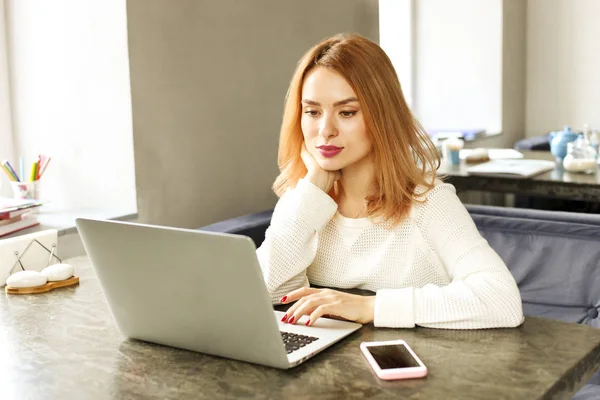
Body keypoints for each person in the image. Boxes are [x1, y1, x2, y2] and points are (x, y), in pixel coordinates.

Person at [256, 33, 524, 330]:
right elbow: (268, 291)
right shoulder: (304, 200)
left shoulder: (429, 200)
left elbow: (502, 300)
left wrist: (371, 307)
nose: (325, 130)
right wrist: (314, 189)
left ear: (382, 116)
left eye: (346, 112)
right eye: (312, 112)